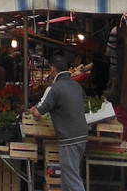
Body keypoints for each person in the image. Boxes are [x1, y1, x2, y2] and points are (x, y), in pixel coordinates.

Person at [28, 53, 87, 191]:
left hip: (69, 138)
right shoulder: (77, 86)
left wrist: (31, 109)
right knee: (68, 176)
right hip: (82, 136)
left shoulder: (54, 89)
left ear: (53, 69)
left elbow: (38, 113)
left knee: (72, 178)